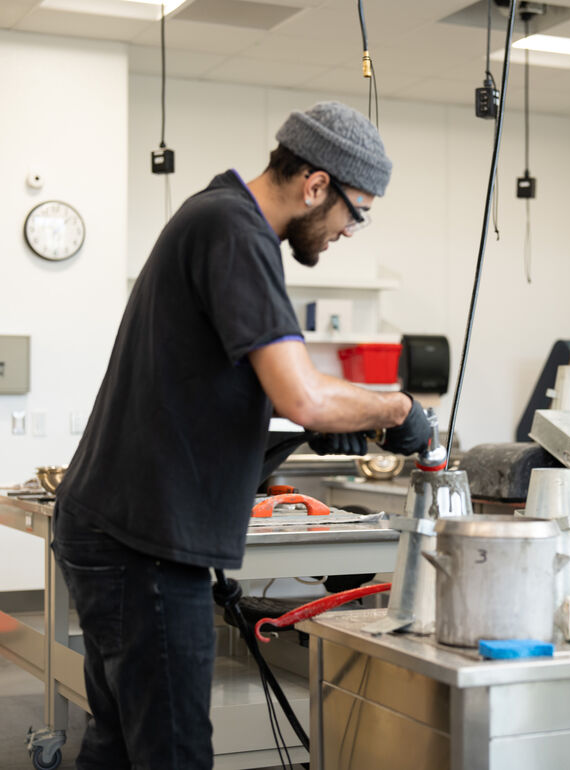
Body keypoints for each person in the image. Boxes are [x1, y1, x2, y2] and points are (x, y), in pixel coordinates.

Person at [52, 102, 432, 769]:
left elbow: (222, 389)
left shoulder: (215, 215)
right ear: (315, 184)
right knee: (173, 752)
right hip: (142, 542)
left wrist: (296, 434)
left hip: (121, 527)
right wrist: (396, 410)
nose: (350, 230)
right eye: (356, 210)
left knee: (117, 746)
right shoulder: (235, 230)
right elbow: (303, 393)